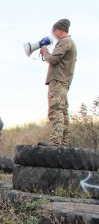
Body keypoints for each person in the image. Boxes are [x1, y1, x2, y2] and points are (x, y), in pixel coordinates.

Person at [40, 18, 77, 146]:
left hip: (58, 81)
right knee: (62, 111)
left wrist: (45, 52)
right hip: (63, 82)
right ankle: (63, 143)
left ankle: (56, 141)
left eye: (54, 30)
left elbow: (53, 59)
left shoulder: (65, 42)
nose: (53, 33)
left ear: (60, 30)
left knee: (55, 110)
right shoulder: (69, 42)